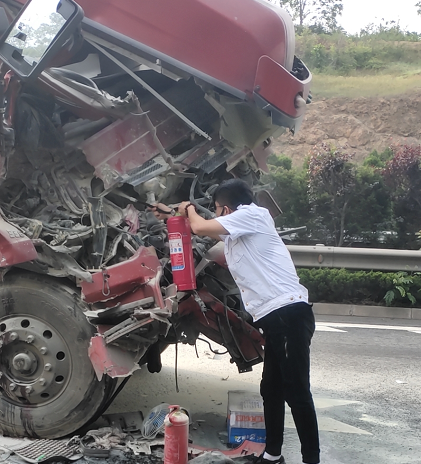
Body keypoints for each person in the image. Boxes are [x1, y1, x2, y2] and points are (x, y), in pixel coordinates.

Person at [152, 179, 320, 464]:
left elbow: (201, 226)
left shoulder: (254, 215)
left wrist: (189, 209)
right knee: (271, 389)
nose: (216, 215)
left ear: (227, 209)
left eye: (217, 210)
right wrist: (173, 213)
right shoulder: (238, 231)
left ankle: (311, 460)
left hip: (289, 314)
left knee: (297, 392)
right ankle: (272, 455)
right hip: (277, 319)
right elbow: (207, 228)